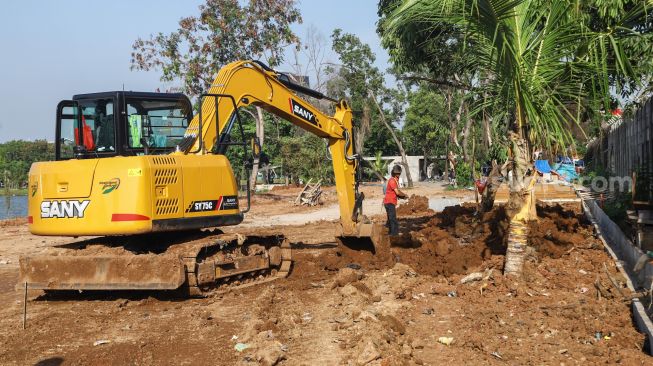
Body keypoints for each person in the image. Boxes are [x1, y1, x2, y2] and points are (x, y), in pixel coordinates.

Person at [384, 165, 407, 236]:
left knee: (390, 219)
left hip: (389, 202)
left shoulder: (395, 180)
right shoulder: (392, 181)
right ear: (394, 173)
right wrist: (404, 195)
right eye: (397, 173)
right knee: (392, 219)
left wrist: (403, 196)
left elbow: (396, 192)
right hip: (389, 202)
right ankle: (394, 234)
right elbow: (397, 192)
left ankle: (389, 232)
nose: (398, 175)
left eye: (399, 173)